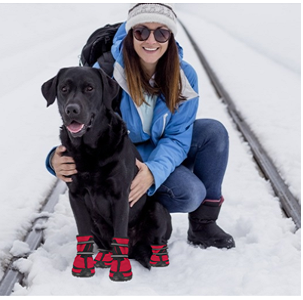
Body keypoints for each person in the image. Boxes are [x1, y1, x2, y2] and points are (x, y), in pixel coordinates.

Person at [45, 3, 235, 250]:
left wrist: (153, 172)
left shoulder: (184, 76)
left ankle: (203, 226)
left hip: (156, 153)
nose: (151, 40)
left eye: (161, 33)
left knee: (213, 133)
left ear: (171, 37)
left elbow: (178, 136)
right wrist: (53, 160)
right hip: (118, 160)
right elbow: (80, 126)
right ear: (130, 34)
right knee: (187, 191)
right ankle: (123, 214)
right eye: (142, 32)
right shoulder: (104, 73)